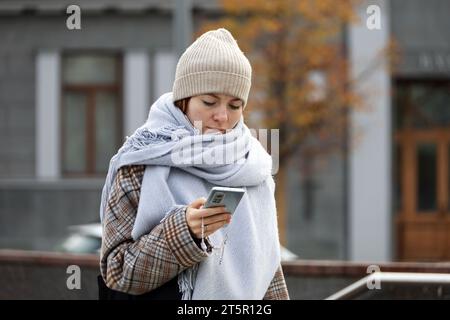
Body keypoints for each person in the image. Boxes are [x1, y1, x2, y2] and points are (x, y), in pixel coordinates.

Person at [98, 28, 290, 300]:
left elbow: (267, 271)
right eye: (209, 101)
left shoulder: (254, 167)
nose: (222, 116)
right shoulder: (140, 161)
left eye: (235, 106)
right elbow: (117, 272)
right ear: (183, 100)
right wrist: (184, 231)